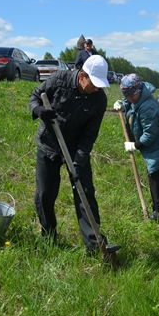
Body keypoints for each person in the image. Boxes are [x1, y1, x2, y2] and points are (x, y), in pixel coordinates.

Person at [29, 55, 120, 254]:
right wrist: (38, 110)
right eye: (94, 84)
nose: (97, 88)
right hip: (49, 144)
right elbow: (35, 95)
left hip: (75, 148)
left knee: (85, 194)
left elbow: (89, 136)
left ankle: (94, 244)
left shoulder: (99, 100)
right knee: (45, 193)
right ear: (82, 77)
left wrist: (78, 162)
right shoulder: (58, 80)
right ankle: (49, 235)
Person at [113, 74, 159, 220]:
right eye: (125, 96)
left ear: (139, 90)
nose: (129, 98)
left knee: (153, 171)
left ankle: (158, 210)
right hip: (154, 140)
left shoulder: (147, 106)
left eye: (131, 96)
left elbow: (150, 134)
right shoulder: (134, 97)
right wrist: (121, 104)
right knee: (155, 171)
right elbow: (130, 102)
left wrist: (135, 145)